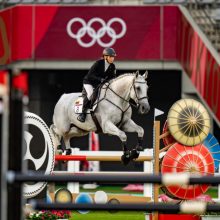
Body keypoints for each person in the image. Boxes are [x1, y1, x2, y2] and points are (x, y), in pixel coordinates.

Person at [77, 47, 118, 123]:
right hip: (89, 82)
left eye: (113, 57)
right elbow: (90, 75)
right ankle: (82, 114)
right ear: (105, 57)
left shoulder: (112, 66)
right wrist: (100, 79)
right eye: (111, 57)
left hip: (99, 84)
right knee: (90, 95)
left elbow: (113, 78)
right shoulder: (98, 63)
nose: (112, 59)